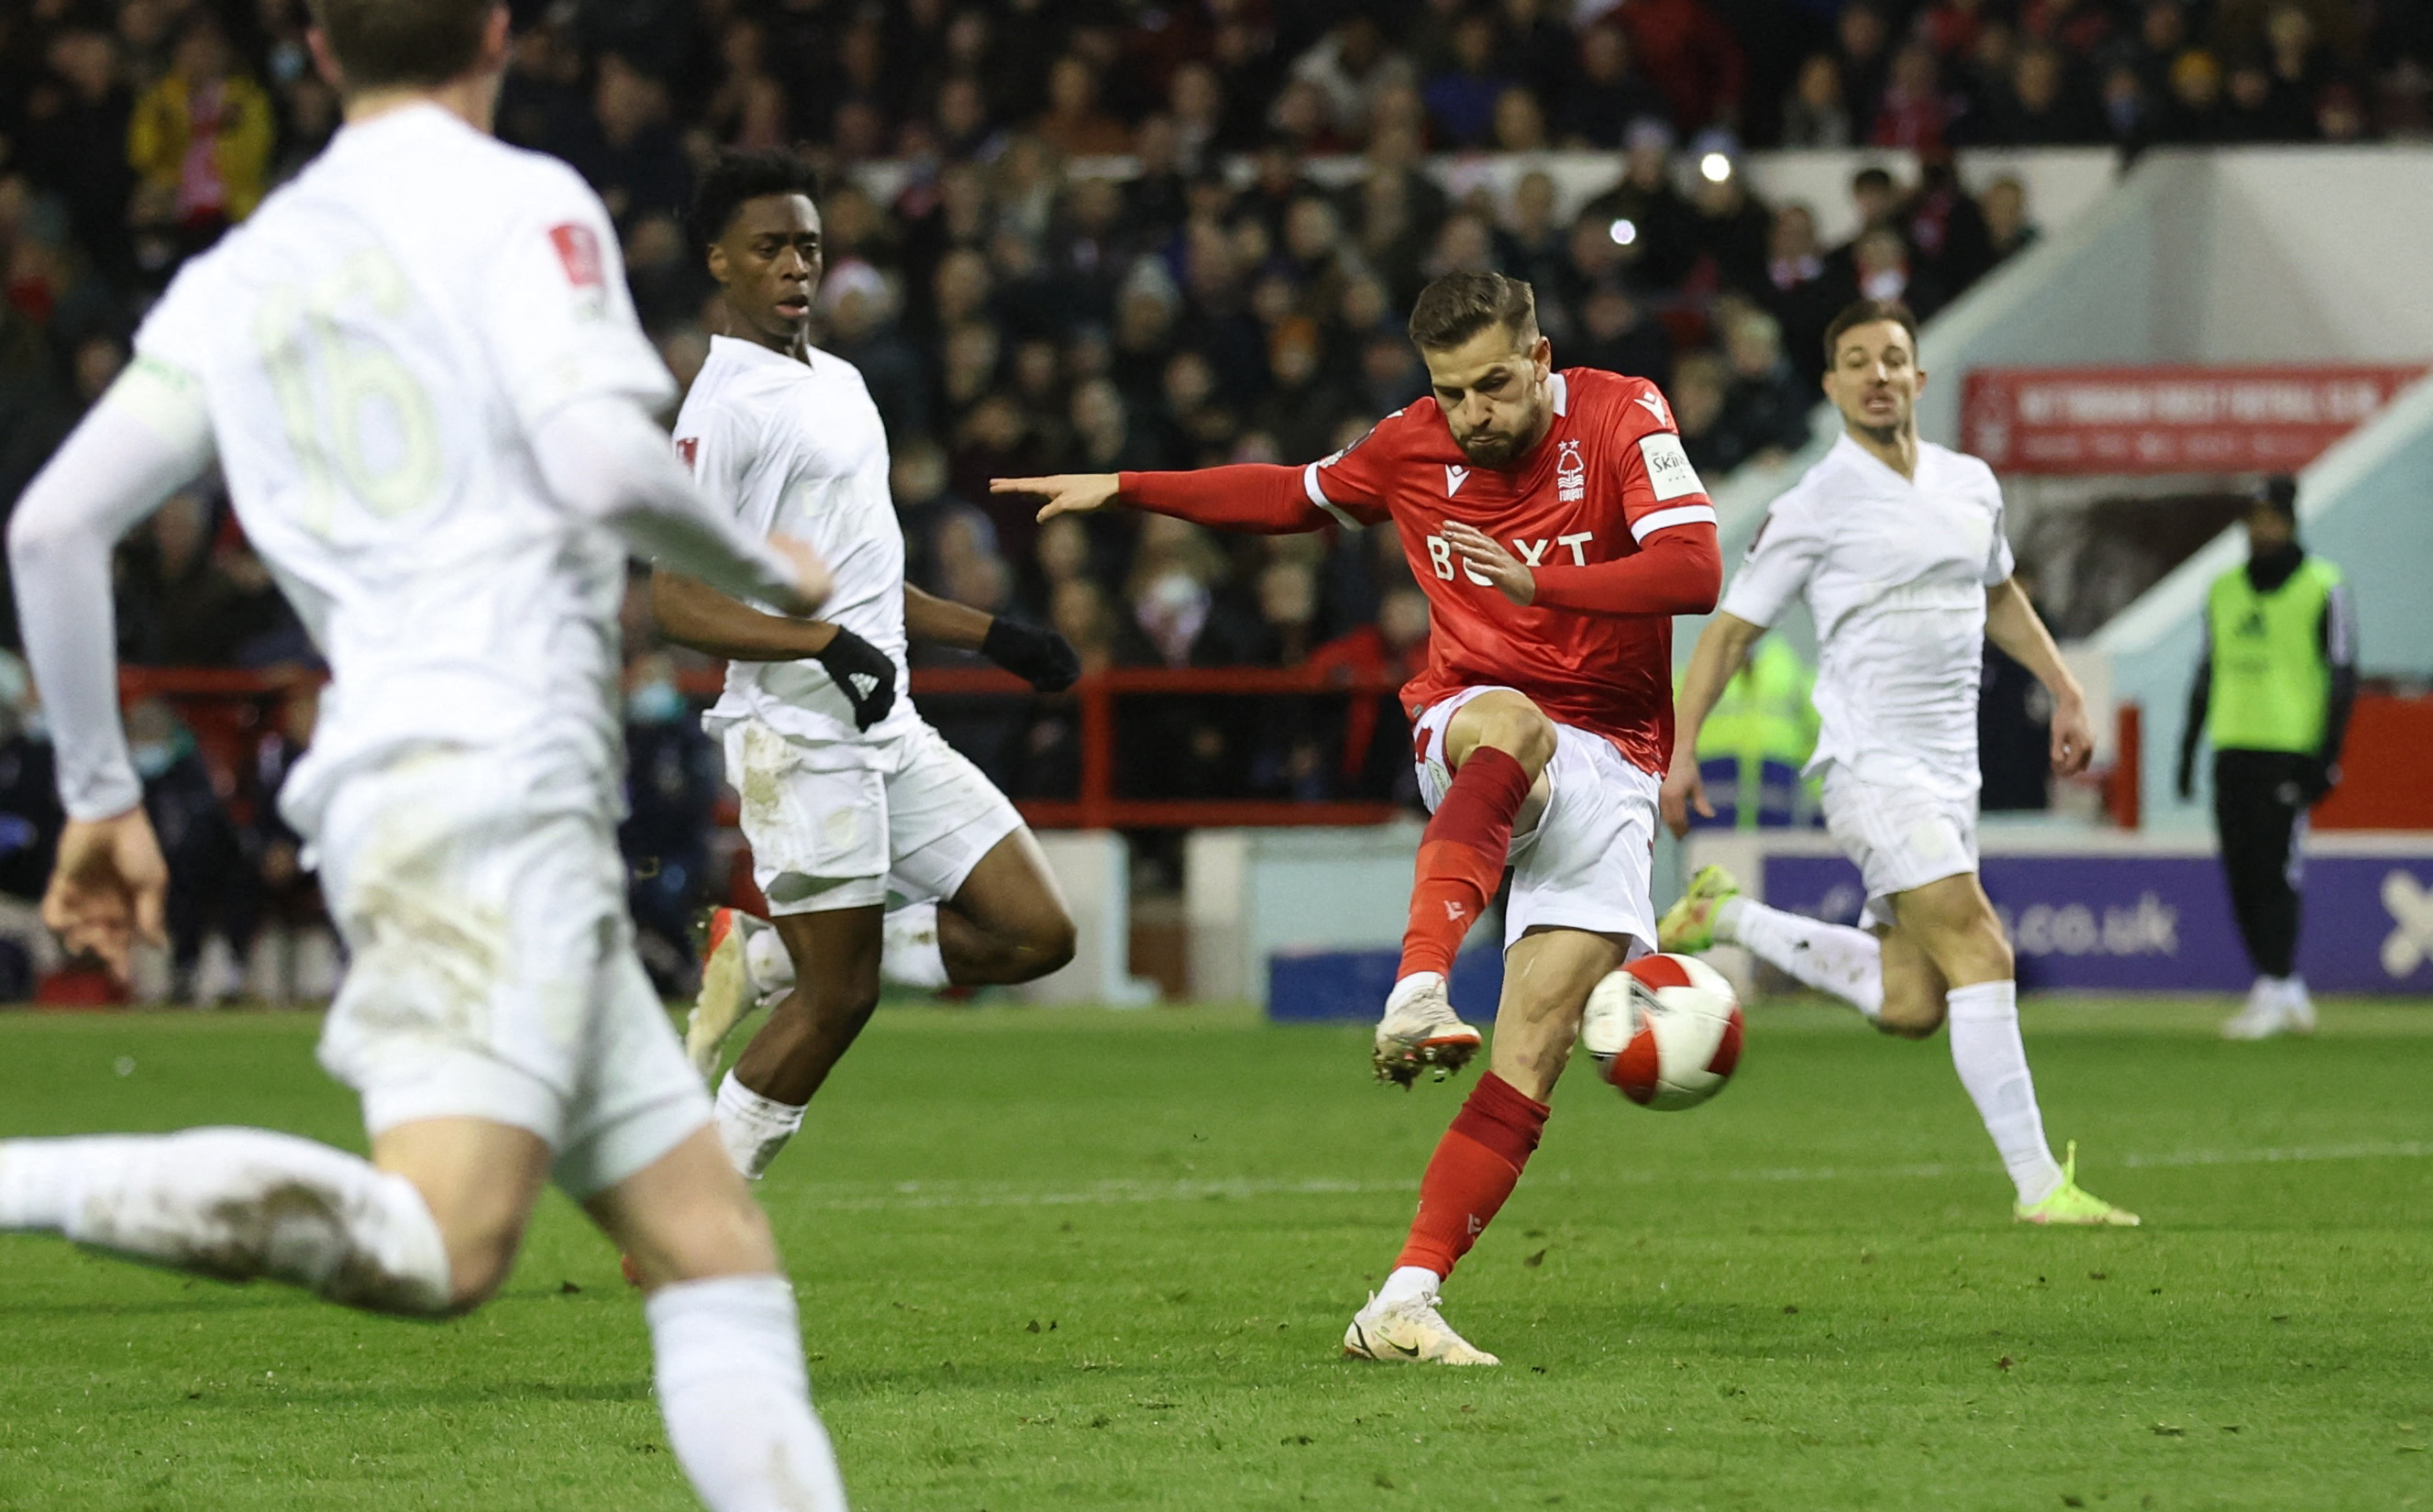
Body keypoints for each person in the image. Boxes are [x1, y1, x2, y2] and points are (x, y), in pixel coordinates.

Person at [0, 5, 850, 1508]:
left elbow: (52, 528)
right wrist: (766, 567)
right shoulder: (524, 203)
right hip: (490, 781)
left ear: (322, 49)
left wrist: (97, 799)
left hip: (440, 790)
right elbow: (598, 460)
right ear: (499, 34)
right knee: (443, 1242)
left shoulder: (242, 271)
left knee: (708, 1246)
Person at [993, 270, 1724, 1365]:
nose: (1472, 414)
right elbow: (1289, 493)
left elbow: (1695, 568)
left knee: (1535, 1043)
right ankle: (1418, 980)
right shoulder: (1412, 443)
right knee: (1512, 724)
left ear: (1539, 356)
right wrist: (1132, 486)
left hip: (1616, 761)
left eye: (1491, 385)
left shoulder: (1625, 413)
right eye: (1450, 392)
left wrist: (1543, 586)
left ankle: (1403, 1298)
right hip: (1471, 723)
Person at [1660, 298, 2138, 1231]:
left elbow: (1996, 591)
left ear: (1917, 378)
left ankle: (1727, 912)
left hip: (1949, 772)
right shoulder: (1812, 503)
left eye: (1891, 357)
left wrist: (2065, 687)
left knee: (1913, 1000)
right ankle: (2043, 1187)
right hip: (1869, 765)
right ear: (1832, 386)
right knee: (1982, 947)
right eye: (1855, 360)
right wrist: (1679, 750)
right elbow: (1726, 634)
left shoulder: (1969, 483)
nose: (1876, 373)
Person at [656, 149, 1082, 1181]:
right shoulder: (724, 409)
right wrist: (817, 643)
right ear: (721, 263)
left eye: (807, 243)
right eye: (770, 248)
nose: (796, 264)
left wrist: (994, 636)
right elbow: (676, 601)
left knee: (1035, 933)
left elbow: (861, 580)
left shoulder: (838, 382)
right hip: (794, 735)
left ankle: (760, 954)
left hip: (884, 721)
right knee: (837, 996)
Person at [2175, 476, 2356, 1040]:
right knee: (2241, 872)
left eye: (2270, 517)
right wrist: (2188, 746)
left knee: (2277, 871)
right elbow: (2208, 671)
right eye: (2254, 518)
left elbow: (2342, 676)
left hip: (2289, 752)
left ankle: (2276, 982)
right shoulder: (2224, 589)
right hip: (2233, 748)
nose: (2262, 528)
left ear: (2291, 520)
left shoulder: (2324, 586)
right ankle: (2279, 984)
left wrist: (2326, 755)